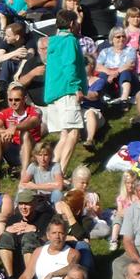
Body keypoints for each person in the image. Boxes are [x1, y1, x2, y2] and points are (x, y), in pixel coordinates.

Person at [43, 10, 89, 171]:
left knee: (64, 134)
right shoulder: (69, 41)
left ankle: (50, 172)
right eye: (76, 22)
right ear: (71, 24)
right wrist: (77, 88)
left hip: (54, 92)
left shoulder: (53, 42)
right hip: (67, 90)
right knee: (74, 132)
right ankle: (60, 173)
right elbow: (70, 65)